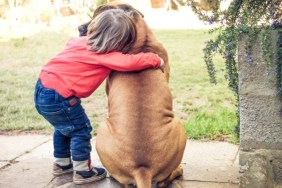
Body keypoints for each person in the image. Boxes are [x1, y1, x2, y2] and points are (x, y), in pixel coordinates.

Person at [34, 9, 164, 185]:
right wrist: (156, 59)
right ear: (121, 42)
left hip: (42, 89)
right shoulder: (106, 56)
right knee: (80, 130)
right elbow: (131, 62)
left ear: (94, 28)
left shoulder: (77, 42)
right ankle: (83, 171)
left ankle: (62, 164)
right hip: (61, 97)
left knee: (63, 127)